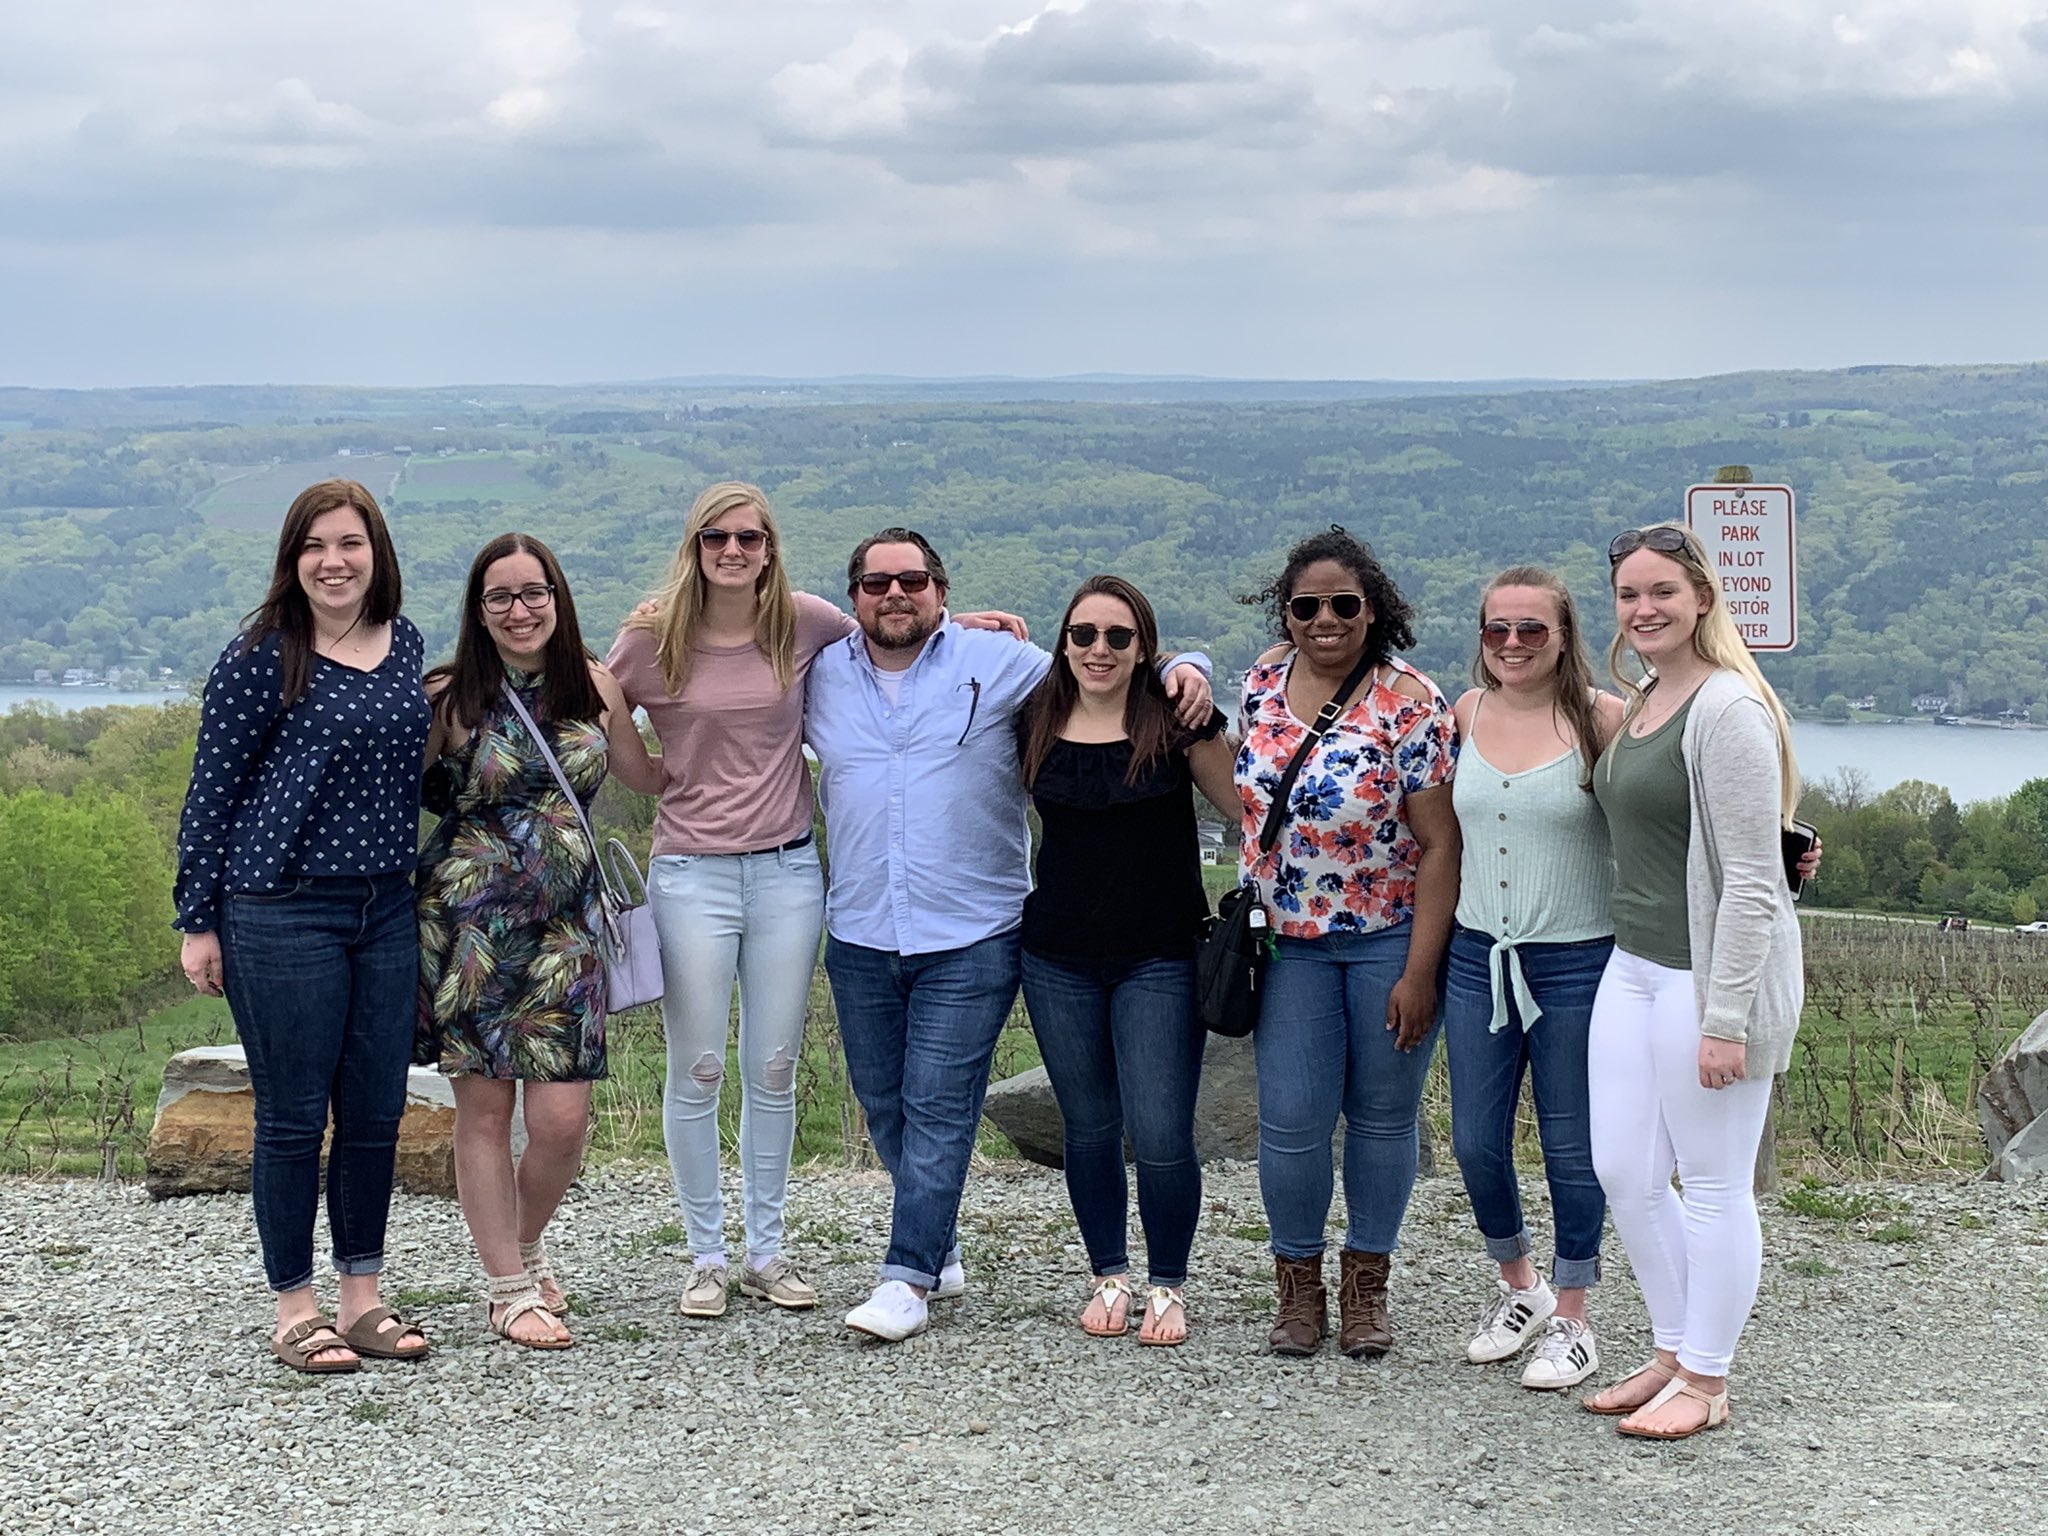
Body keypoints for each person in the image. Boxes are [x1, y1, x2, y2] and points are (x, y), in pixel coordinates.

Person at [604, 485, 1023, 1320]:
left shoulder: (804, 621)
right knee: (698, 1068)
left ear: (770, 547)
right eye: (716, 537)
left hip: (788, 871)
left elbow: (893, 635)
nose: (733, 550)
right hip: (691, 873)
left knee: (774, 1068)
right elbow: (599, 713)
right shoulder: (651, 638)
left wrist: (964, 623)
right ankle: (705, 1257)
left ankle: (766, 1250)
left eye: (748, 537)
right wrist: (652, 776)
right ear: (694, 545)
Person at [806, 528, 1212, 1343]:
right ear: (853, 597)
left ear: (942, 590)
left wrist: (1189, 665)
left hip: (974, 929)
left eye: (913, 580)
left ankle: (907, 1277)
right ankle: (939, 1242)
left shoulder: (1000, 663)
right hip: (862, 927)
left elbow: (1110, 663)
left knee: (939, 1103)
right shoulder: (818, 674)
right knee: (886, 1105)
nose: (896, 594)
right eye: (877, 583)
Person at [172, 479, 433, 1374]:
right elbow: (211, 794)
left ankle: (362, 1299)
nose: (334, 561)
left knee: (375, 1111)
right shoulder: (260, 655)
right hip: (280, 906)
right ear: (293, 559)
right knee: (292, 1118)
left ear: (376, 552)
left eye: (350, 543)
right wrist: (198, 920)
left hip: (385, 906)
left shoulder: (404, 643)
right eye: (315, 546)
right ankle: (295, 1310)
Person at [1582, 522, 1805, 1440]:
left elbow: (1751, 879)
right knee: (1624, 1171)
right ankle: (1672, 1350)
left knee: (1712, 1184)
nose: (1645, 609)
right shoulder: (1645, 699)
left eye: (1663, 592)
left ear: (1703, 599)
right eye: (1630, 595)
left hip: (1702, 979)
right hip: (1633, 965)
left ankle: (1707, 1380)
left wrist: (1726, 1019)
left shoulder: (1728, 707)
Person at [416, 533, 663, 1348]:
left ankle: (522, 1246)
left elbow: (647, 775)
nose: (520, 610)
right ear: (479, 610)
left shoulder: (594, 684)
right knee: (485, 1113)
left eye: (534, 593)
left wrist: (749, 733)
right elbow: (389, 792)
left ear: (557, 598)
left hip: (567, 931)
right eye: (501, 597)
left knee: (561, 1123)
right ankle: (507, 1288)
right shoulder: (449, 697)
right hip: (472, 932)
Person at [1234, 525, 1459, 1359]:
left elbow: (1441, 843)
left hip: (1386, 938)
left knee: (1383, 1118)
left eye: (1342, 604)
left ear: (1373, 610)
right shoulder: (1261, 681)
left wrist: (1420, 970)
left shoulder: (1411, 701)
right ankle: (1297, 1287)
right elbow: (1246, 792)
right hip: (1287, 942)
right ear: (1285, 613)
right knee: (1292, 1119)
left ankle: (1367, 1287)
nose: (1324, 620)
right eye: (1306, 606)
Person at [1014, 575, 1237, 1347]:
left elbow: (1246, 809)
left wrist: (1193, 668)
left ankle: (1167, 1283)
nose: (1099, 649)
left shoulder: (1178, 721)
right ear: (1064, 642)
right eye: (1083, 634)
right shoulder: (1034, 718)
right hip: (1057, 957)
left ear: (1145, 647)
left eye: (1118, 636)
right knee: (1088, 1127)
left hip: (1160, 957)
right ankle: (1107, 1274)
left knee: (1162, 1132)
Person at [1443, 566, 1623, 1390]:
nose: (1512, 643)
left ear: (1563, 635)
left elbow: (1668, 812)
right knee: (1476, 1142)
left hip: (1579, 962)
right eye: (1497, 628)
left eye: (1531, 629)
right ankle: (1522, 1286)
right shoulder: (1466, 713)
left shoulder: (1605, 720)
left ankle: (1574, 1317)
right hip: (1478, 956)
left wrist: (1784, 843)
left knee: (1572, 1147)